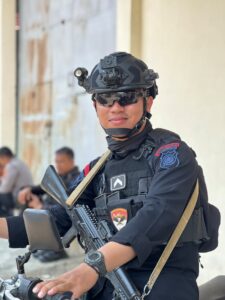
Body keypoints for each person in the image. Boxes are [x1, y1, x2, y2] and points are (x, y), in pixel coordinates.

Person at [0, 52, 219, 299]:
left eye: (127, 97)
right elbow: (59, 218)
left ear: (148, 102)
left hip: (163, 282)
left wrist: (93, 266)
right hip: (105, 283)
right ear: (95, 106)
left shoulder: (172, 154)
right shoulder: (97, 169)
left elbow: (157, 214)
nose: (116, 107)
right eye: (106, 99)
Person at [17, 146, 80, 262]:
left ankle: (56, 252)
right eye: (56, 161)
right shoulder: (60, 176)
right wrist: (27, 189)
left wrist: (40, 207)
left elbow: (66, 209)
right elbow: (42, 187)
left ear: (71, 161)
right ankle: (25, 236)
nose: (58, 165)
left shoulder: (76, 179)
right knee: (27, 195)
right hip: (47, 212)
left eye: (62, 161)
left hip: (60, 217)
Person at [0, 146, 33, 216]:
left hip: (21, 197)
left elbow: (5, 189)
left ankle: (6, 221)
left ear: (3, 157)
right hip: (27, 194)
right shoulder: (19, 162)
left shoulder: (12, 165)